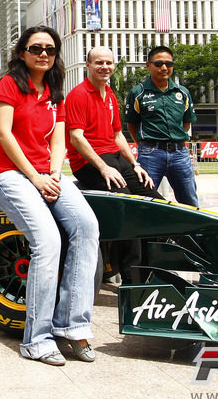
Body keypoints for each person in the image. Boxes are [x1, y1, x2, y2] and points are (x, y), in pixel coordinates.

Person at [0, 25, 99, 366]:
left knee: (87, 226)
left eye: (50, 49)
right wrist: (36, 178)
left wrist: (53, 173)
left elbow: (58, 140)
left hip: (46, 174)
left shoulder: (55, 91)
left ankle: (72, 326)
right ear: (22, 53)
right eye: (36, 48)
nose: (43, 54)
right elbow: (3, 134)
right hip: (9, 174)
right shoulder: (9, 84)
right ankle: (37, 339)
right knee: (48, 241)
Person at [64, 46, 160, 285]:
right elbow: (76, 137)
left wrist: (135, 164)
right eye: (99, 63)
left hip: (114, 157)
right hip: (89, 162)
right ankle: (132, 278)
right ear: (88, 65)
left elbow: (118, 135)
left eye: (108, 63)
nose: (104, 67)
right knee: (127, 207)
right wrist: (103, 168)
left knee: (155, 201)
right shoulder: (78, 95)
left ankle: (154, 267)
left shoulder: (110, 94)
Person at [125, 45, 199, 207]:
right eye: (158, 64)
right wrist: (143, 145)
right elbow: (131, 124)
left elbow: (186, 122)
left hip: (180, 154)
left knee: (190, 200)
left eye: (169, 64)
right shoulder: (138, 93)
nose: (164, 68)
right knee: (144, 200)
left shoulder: (182, 92)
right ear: (148, 65)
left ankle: (194, 232)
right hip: (150, 154)